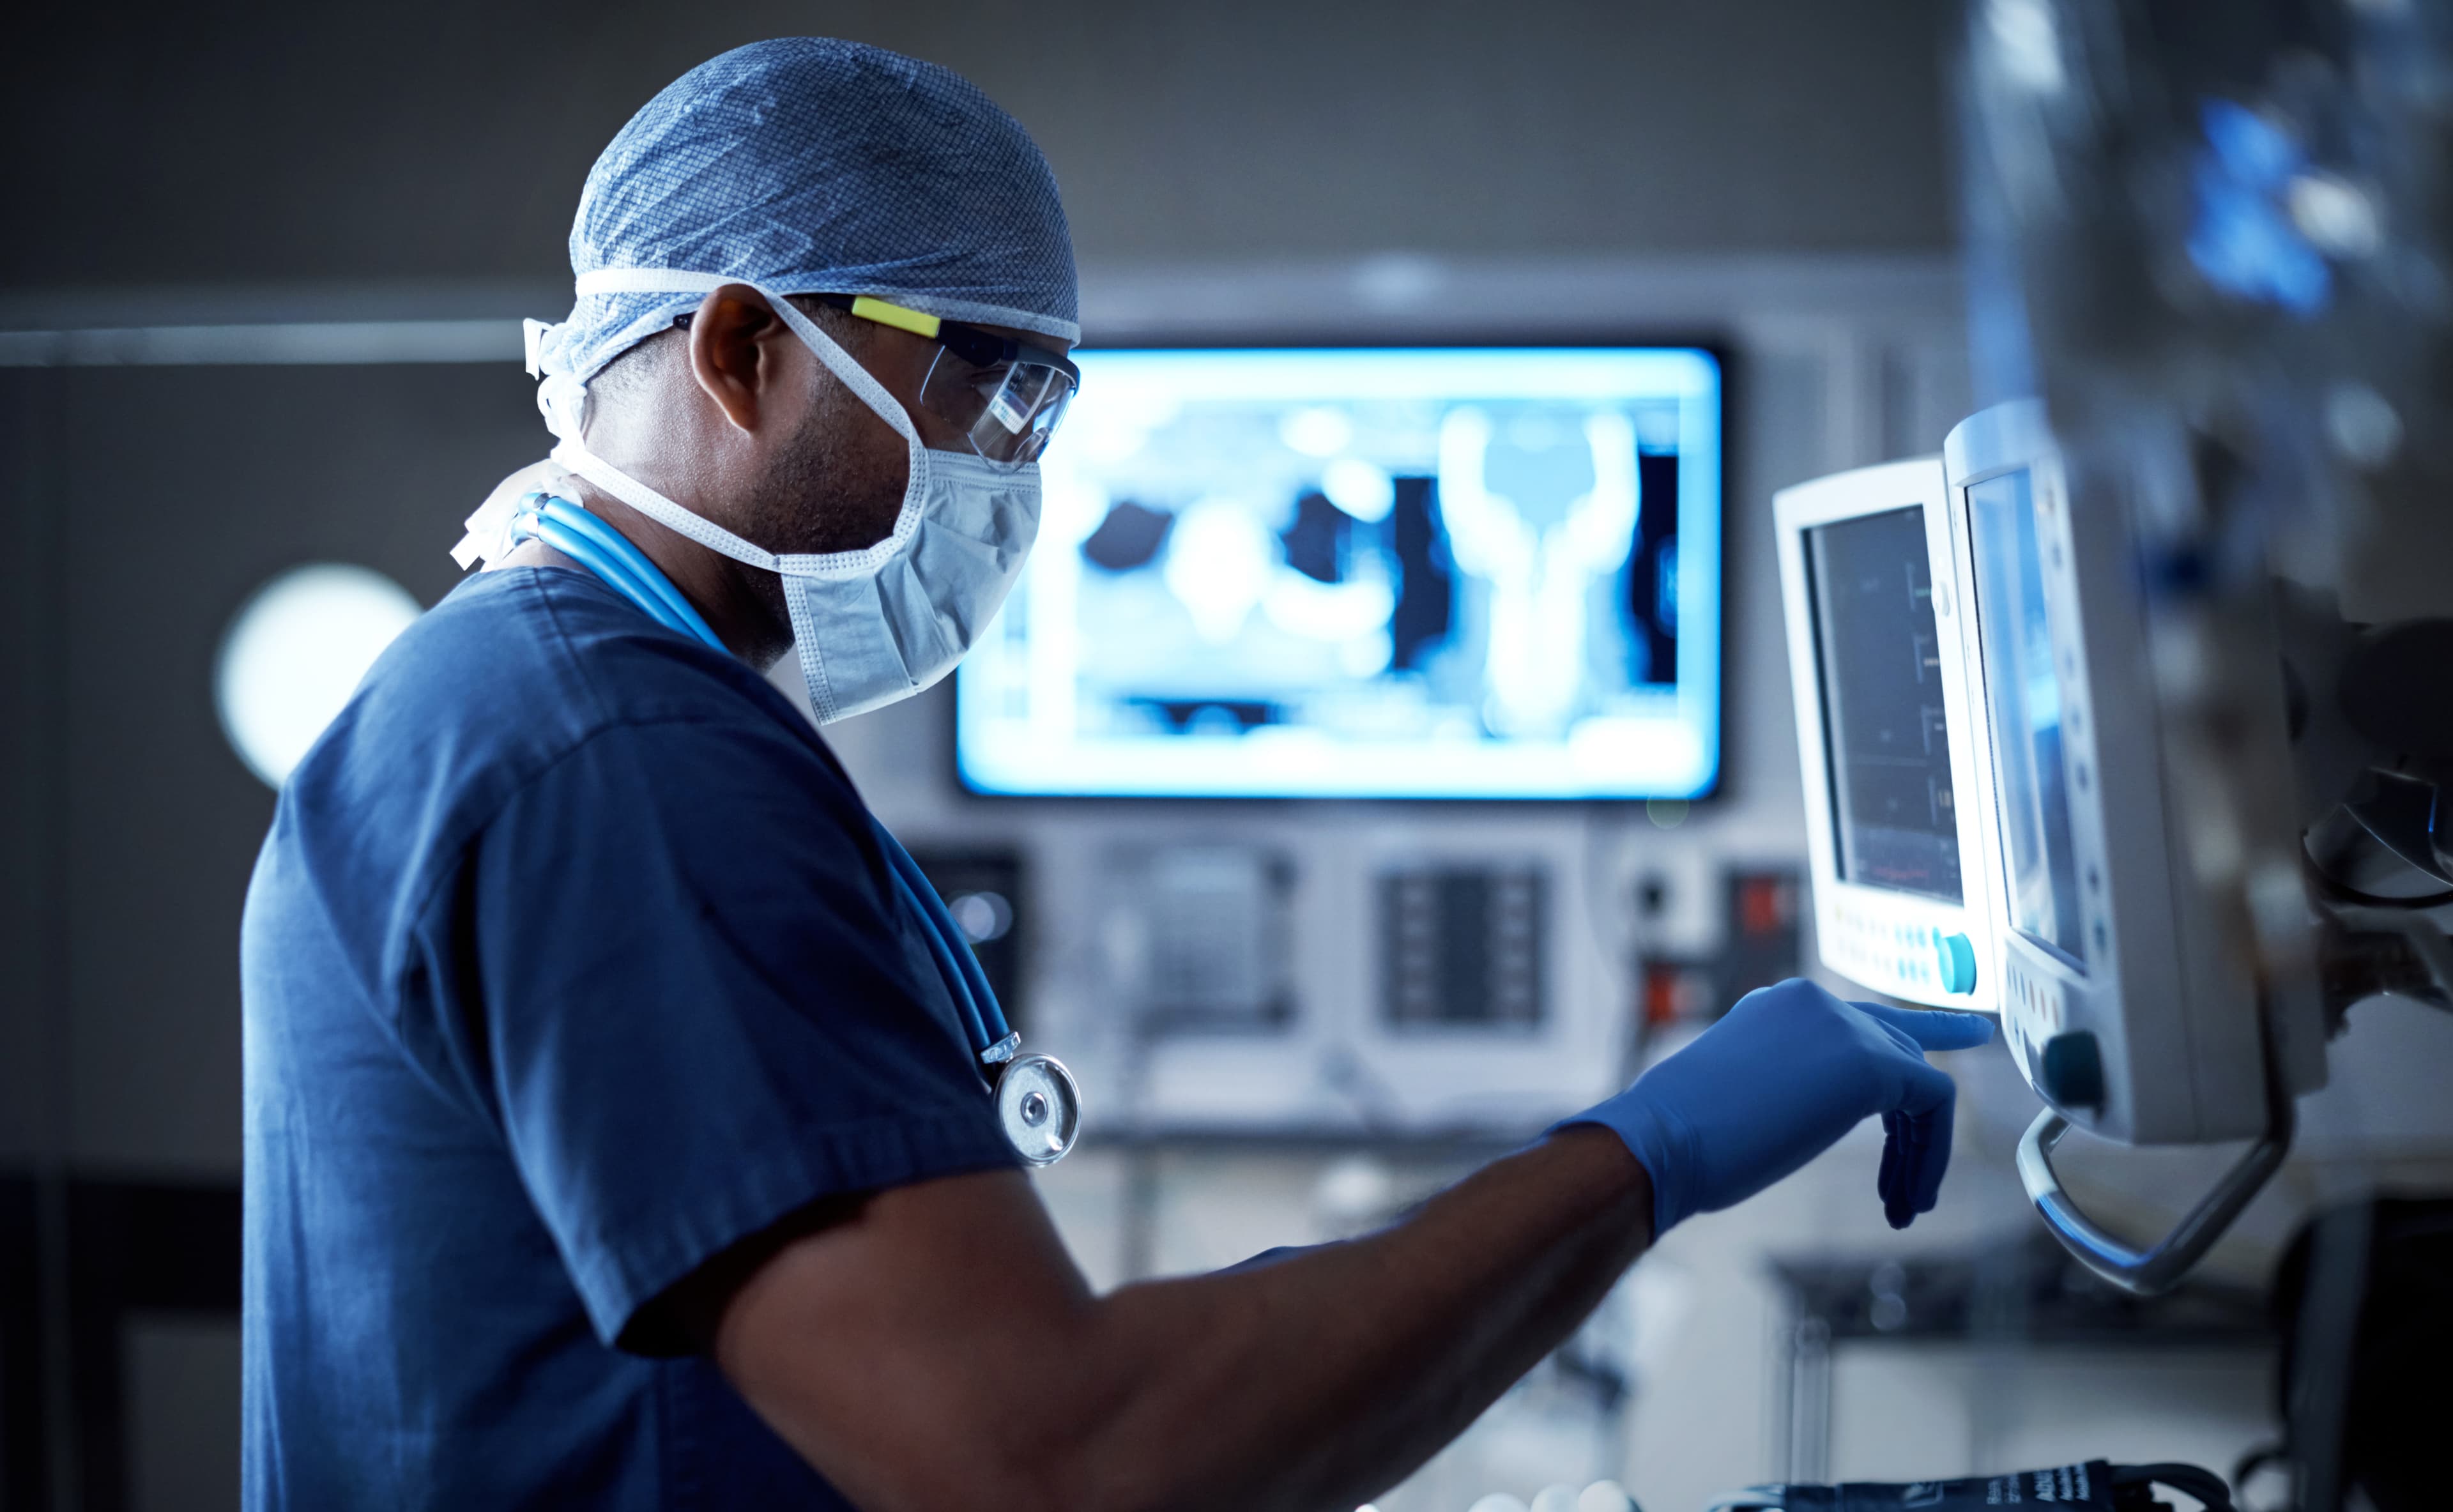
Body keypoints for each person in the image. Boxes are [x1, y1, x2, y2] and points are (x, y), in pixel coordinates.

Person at [238, 37, 1993, 1512]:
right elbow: (1062, 1463)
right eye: (994, 395)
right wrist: (1650, 1154)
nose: (1020, 483)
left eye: (1050, 412)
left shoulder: (517, 700)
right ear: (744, 348)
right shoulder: (623, 757)